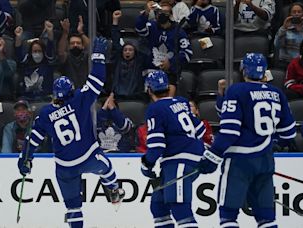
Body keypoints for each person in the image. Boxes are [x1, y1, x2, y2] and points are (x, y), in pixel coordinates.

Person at [17, 37, 125, 228]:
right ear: (71, 91)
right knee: (107, 168)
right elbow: (97, 80)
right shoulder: (78, 99)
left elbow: (31, 140)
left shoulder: (46, 114)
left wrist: (25, 160)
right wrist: (98, 57)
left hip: (64, 167)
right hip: (88, 157)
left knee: (73, 209)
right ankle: (114, 190)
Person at [198, 53, 297, 228]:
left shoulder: (237, 90)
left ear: (243, 69)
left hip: (239, 162)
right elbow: (288, 134)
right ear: (264, 72)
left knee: (228, 215)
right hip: (265, 160)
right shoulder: (277, 93)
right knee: (266, 216)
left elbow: (229, 131)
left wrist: (212, 157)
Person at [141, 70, 206, 228]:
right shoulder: (181, 102)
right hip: (188, 160)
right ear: (168, 88)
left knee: (180, 209)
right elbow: (201, 130)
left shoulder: (155, 109)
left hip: (179, 162)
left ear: (149, 90)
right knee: (159, 206)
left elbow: (156, 147)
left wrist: (146, 164)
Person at [136, 0, 193, 97]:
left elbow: (187, 53)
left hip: (170, 74)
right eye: (159, 12)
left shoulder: (179, 31)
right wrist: (146, 13)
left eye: (165, 13)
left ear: (171, 15)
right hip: (151, 71)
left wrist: (171, 62)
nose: (161, 15)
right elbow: (139, 29)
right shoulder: (151, 26)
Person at [274, 2, 303, 69]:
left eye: (299, 12)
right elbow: (277, 44)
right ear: (290, 14)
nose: (297, 14)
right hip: (286, 63)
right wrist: (284, 28)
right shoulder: (285, 28)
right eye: (294, 12)